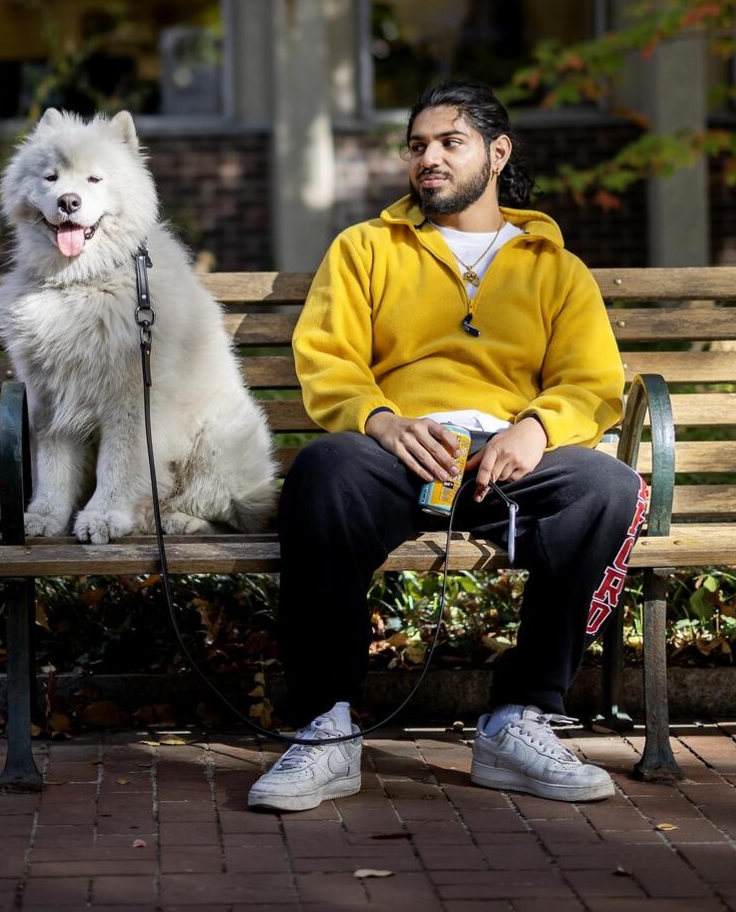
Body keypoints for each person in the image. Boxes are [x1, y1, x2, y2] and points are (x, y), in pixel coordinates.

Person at [246, 81, 646, 812]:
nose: (427, 158)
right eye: (418, 145)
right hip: (400, 456)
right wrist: (384, 422)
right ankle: (326, 727)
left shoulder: (552, 266)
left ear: (498, 153)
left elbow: (591, 382)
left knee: (610, 488)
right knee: (323, 469)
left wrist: (537, 429)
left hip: (507, 466)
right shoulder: (365, 249)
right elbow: (328, 360)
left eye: (448, 142)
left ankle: (517, 720)